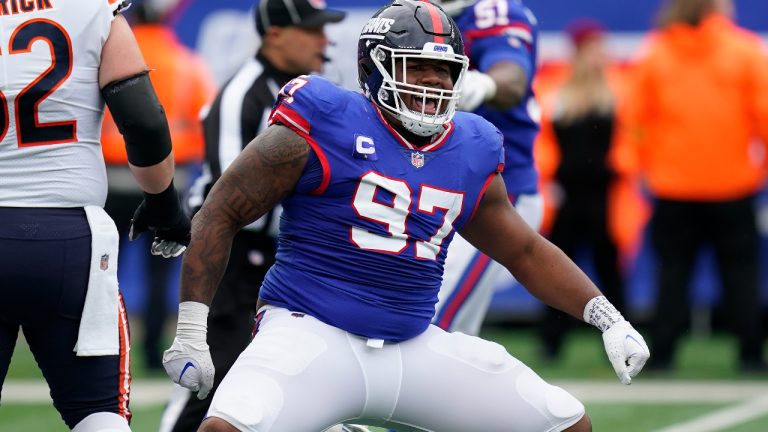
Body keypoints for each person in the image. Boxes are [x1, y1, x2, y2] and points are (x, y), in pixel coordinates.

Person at [162, 1, 650, 431]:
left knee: (563, 421)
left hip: (411, 343)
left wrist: (607, 318)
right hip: (309, 333)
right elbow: (221, 212)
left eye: (445, 70)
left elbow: (523, 250)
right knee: (227, 427)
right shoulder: (324, 116)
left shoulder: (472, 145)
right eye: (416, 67)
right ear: (375, 67)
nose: (434, 81)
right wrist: (190, 330)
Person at [0, 0, 191, 431]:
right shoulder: (90, 8)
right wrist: (164, 204)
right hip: (68, 239)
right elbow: (143, 121)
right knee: (99, 414)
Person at [160, 0, 347, 430]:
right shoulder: (243, 92)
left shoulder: (318, 91)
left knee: (305, 375)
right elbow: (229, 200)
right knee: (210, 376)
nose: (325, 40)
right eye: (313, 29)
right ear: (275, 34)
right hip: (233, 251)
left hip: (286, 254)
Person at [622, 0, 768, 372]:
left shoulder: (657, 53)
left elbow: (634, 120)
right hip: (733, 185)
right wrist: (761, 167)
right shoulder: (744, 51)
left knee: (672, 275)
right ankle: (751, 355)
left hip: (673, 187)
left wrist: (642, 164)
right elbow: (764, 115)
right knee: (740, 275)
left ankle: (662, 356)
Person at [101, 0, 216, 372]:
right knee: (159, 274)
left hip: (110, 181)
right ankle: (151, 354)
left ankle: (104, 348)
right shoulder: (187, 64)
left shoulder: (108, 58)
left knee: (103, 271)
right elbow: (205, 128)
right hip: (168, 183)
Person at [429, 0, 544, 335]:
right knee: (450, 333)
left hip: (493, 193)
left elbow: (512, 79)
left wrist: (481, 85)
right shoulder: (415, 12)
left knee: (431, 321)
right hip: (433, 185)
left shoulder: (492, 12)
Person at [538, 19, 626, 361]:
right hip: (567, 198)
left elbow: (633, 140)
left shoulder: (618, 90)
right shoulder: (556, 89)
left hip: (606, 197)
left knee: (610, 273)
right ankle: (551, 342)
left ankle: (621, 340)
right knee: (557, 271)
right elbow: (542, 143)